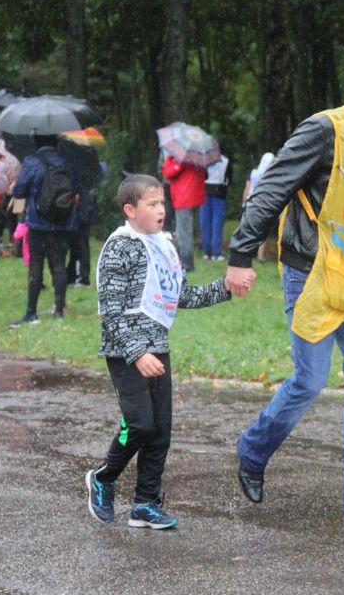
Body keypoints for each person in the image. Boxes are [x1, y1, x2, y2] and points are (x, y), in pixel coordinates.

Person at [225, 52, 344, 520]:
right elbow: (272, 189)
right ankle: (253, 450)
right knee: (310, 380)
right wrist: (239, 255)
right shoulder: (322, 130)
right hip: (309, 272)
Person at [85, 174, 231, 529]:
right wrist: (137, 353)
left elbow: (181, 295)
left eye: (162, 202)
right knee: (140, 424)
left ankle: (145, 504)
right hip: (125, 353)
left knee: (160, 431)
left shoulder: (165, 244)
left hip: (158, 350)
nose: (161, 209)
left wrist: (226, 287)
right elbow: (111, 313)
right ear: (130, 210)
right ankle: (103, 478)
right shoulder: (119, 247)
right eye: (152, 204)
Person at [9, 134, 80, 326]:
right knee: (59, 265)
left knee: (36, 265)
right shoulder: (68, 161)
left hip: (37, 222)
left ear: (36, 142)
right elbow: (76, 187)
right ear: (56, 142)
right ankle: (59, 310)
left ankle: (31, 313)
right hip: (63, 222)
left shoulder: (32, 162)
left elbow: (19, 192)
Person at [162, 154, 206, 272]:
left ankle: (186, 264)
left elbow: (168, 173)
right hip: (195, 197)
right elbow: (205, 174)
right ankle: (185, 260)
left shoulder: (182, 159)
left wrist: (171, 159)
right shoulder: (198, 158)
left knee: (184, 233)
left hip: (184, 197)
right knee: (186, 231)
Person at [240, 152, 275, 262]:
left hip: (250, 202)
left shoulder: (253, 172)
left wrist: (243, 203)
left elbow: (247, 189)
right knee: (262, 230)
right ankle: (260, 255)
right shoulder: (271, 174)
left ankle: (245, 252)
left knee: (248, 229)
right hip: (263, 204)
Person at [200, 153, 232, 261]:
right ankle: (216, 253)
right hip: (220, 193)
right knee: (217, 224)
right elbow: (229, 179)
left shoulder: (205, 159)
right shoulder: (226, 161)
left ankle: (206, 252)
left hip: (206, 192)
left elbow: (202, 176)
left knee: (205, 224)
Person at [66, 185, 96, 286]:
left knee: (80, 248)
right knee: (78, 249)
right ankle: (76, 275)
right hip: (80, 217)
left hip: (79, 217)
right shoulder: (83, 186)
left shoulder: (79, 186)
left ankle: (80, 276)